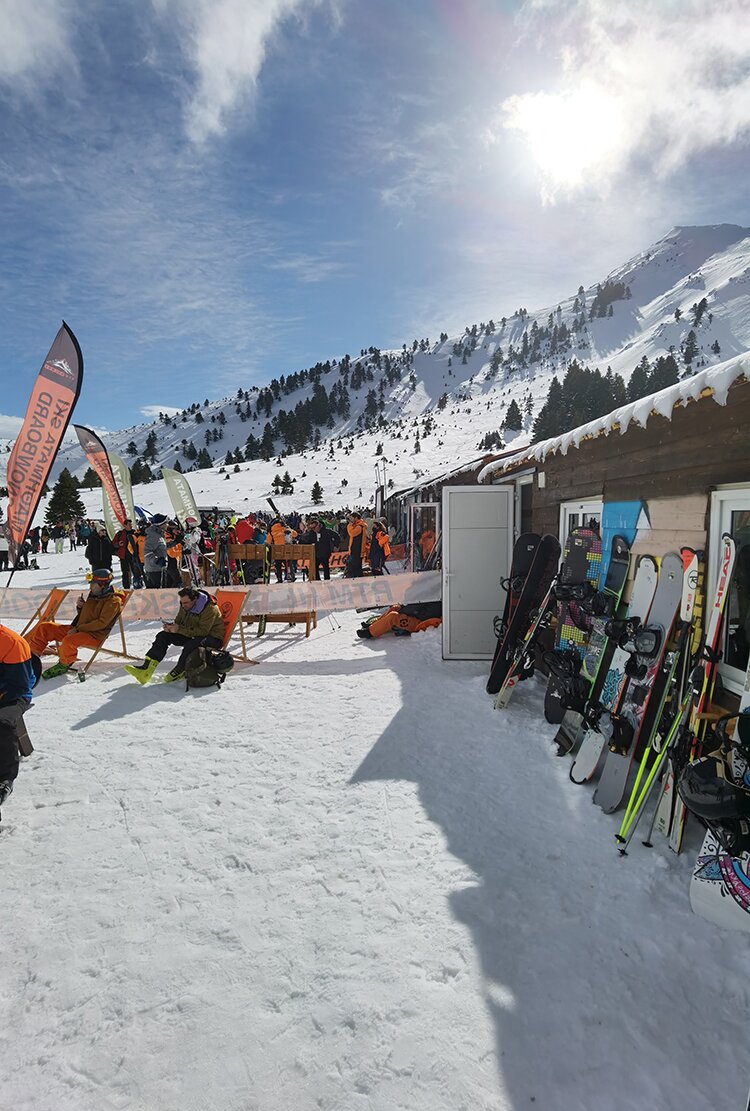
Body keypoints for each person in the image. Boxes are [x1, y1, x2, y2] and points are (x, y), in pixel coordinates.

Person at [25, 569, 126, 678]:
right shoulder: (96, 594)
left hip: (95, 635)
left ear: (102, 585)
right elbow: (88, 616)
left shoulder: (113, 601)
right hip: (80, 629)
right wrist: (80, 607)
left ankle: (64, 663)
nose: (90, 586)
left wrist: (78, 630)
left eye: (92, 584)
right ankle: (33, 657)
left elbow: (101, 623)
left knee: (69, 640)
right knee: (45, 627)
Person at [124, 586, 226, 684]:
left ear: (195, 599)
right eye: (181, 602)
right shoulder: (184, 605)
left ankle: (180, 670)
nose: (183, 605)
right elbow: (178, 621)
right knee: (163, 636)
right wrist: (171, 627)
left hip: (213, 637)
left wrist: (179, 629)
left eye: (186, 602)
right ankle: (146, 669)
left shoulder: (210, 608)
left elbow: (203, 631)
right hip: (193, 634)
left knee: (191, 644)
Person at [0, 623, 37, 813]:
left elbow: (18, 686)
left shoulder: (11, 643)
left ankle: (5, 778)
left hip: (13, 696)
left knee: (2, 722)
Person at [357, 601, 442, 639]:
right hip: (418, 615)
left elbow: (418, 610)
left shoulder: (435, 600)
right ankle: (375, 624)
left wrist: (403, 610)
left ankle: (370, 632)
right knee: (395, 607)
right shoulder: (430, 595)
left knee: (393, 617)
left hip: (423, 622)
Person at [112, 518, 143, 590]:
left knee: (136, 573)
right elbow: (113, 543)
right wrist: (118, 544)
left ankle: (138, 587)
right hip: (124, 556)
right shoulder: (120, 534)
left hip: (134, 556)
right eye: (129, 524)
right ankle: (126, 588)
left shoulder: (135, 533)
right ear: (124, 525)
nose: (131, 526)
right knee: (125, 573)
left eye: (131, 524)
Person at [143, 515, 168, 588]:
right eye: (166, 523)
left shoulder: (158, 534)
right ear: (161, 524)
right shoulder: (154, 535)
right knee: (157, 593)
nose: (167, 525)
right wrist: (157, 560)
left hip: (158, 568)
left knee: (159, 593)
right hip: (154, 569)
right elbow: (147, 551)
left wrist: (176, 542)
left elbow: (161, 547)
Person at [344, 511, 368, 578]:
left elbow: (352, 533)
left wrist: (349, 525)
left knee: (355, 568)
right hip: (355, 549)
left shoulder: (359, 526)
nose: (351, 520)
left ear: (356, 518)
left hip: (357, 550)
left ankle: (356, 580)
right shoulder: (357, 526)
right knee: (355, 567)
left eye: (352, 518)